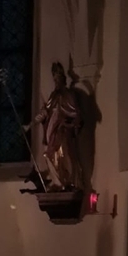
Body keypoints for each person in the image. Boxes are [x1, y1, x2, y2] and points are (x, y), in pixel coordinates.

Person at [34, 61, 83, 190]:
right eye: (54, 79)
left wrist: (71, 123)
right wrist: (31, 124)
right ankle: (57, 181)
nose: (56, 82)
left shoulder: (68, 95)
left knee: (64, 154)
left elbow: (76, 113)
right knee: (49, 155)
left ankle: (66, 180)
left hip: (62, 130)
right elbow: (45, 112)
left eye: (58, 79)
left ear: (63, 79)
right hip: (52, 130)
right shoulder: (53, 96)